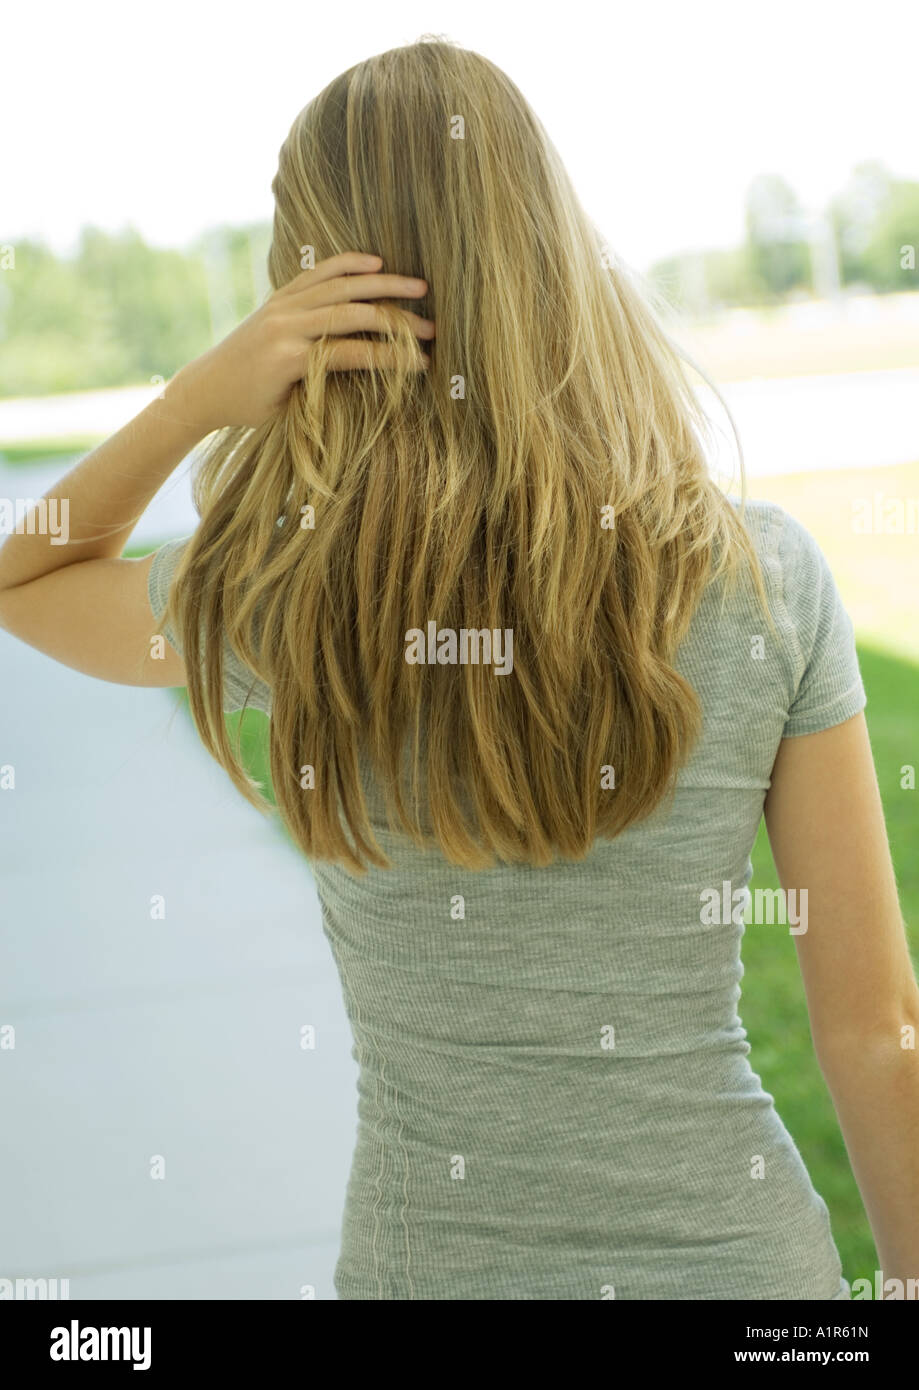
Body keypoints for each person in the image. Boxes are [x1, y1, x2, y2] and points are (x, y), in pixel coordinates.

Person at [1, 38, 916, 1301]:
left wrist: (195, 400)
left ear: (307, 296)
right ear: (551, 251)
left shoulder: (295, 599)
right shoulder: (760, 578)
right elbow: (878, 1033)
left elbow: (25, 577)